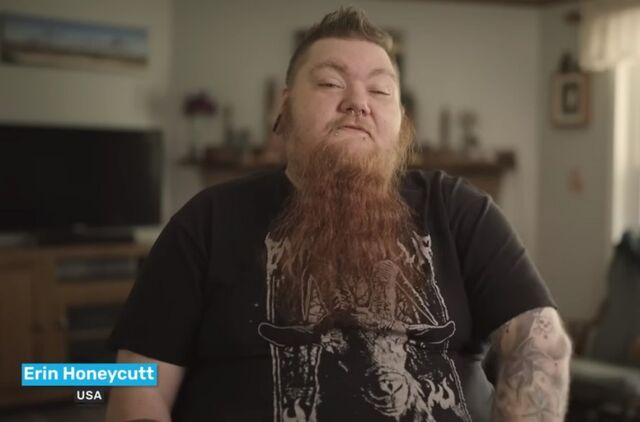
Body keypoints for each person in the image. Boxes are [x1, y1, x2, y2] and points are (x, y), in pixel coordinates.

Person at [106, 7, 571, 422]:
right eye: (330, 83)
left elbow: (539, 341)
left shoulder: (460, 210)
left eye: (381, 90)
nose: (358, 102)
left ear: (400, 122)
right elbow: (136, 384)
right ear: (284, 106)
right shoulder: (206, 220)